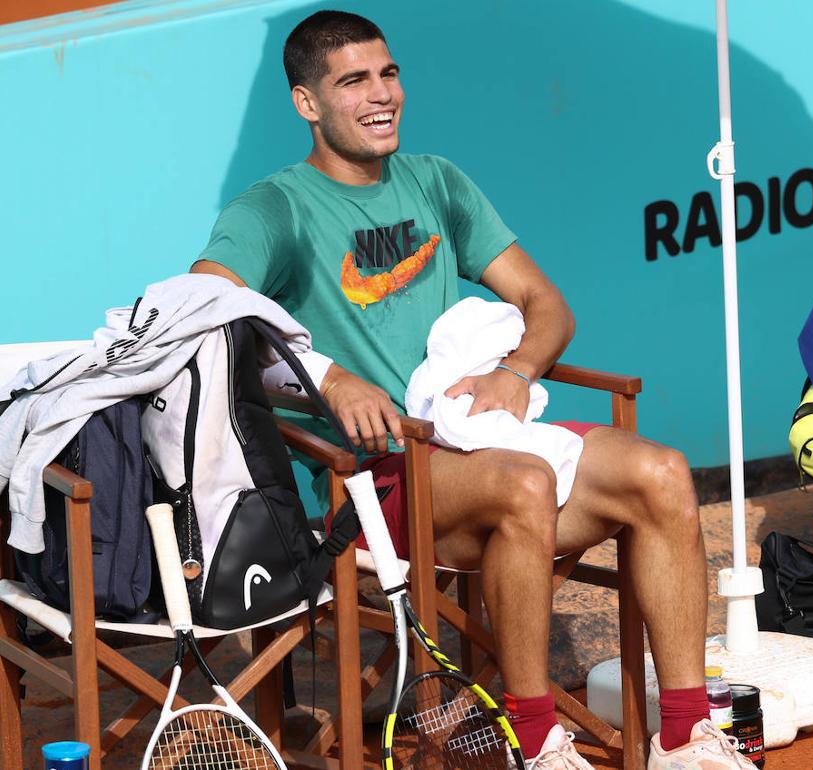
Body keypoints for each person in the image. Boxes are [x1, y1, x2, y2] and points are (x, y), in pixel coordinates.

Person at [191, 10, 756, 770]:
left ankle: (686, 738)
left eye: (388, 73)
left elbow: (547, 305)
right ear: (307, 104)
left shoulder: (437, 182)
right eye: (352, 81)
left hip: (473, 444)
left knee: (663, 473)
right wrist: (327, 375)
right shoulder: (276, 208)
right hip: (363, 480)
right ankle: (533, 740)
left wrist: (515, 372)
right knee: (523, 486)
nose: (380, 94)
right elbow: (203, 314)